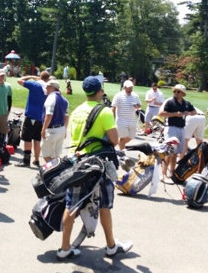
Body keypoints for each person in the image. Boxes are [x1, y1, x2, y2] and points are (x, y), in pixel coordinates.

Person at [58, 75, 132, 261]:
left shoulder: (77, 111)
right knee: (105, 204)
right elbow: (115, 140)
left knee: (71, 205)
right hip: (98, 165)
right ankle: (110, 246)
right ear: (99, 91)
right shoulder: (105, 112)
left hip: (78, 163)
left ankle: (64, 248)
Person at [159, 84, 196, 183]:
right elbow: (161, 113)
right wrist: (175, 114)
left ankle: (172, 173)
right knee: (169, 151)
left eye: (178, 92)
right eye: (175, 91)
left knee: (176, 153)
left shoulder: (186, 103)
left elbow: (194, 111)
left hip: (181, 128)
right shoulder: (170, 102)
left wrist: (188, 113)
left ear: (183, 94)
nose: (176, 93)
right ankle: (163, 174)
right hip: (171, 128)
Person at [15, 71, 49, 167]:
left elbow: (19, 80)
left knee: (27, 139)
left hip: (31, 115)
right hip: (41, 116)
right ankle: (37, 160)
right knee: (37, 139)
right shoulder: (47, 88)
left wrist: (31, 76)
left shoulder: (35, 85)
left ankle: (26, 160)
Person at [41, 80, 69, 163]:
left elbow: (49, 115)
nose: (46, 87)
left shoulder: (51, 98)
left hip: (51, 130)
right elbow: (66, 117)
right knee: (56, 156)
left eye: (48, 86)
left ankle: (53, 173)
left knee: (46, 155)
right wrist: (65, 130)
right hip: (61, 129)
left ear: (53, 88)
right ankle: (56, 171)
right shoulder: (65, 100)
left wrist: (43, 130)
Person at [111, 80, 141, 150]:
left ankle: (120, 144)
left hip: (131, 120)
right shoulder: (118, 96)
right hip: (121, 120)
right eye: (128, 87)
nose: (130, 89)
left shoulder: (135, 96)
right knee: (123, 136)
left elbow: (139, 105)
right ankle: (122, 151)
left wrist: (137, 106)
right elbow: (113, 108)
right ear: (124, 87)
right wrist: (112, 119)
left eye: (131, 87)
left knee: (131, 136)